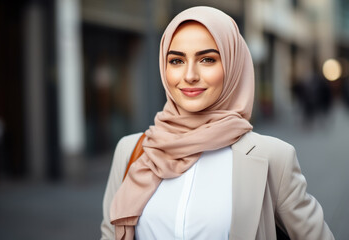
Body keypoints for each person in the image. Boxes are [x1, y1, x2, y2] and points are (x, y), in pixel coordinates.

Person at [100, 6, 334, 240]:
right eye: (176, 61)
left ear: (233, 65)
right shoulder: (132, 150)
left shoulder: (272, 157)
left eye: (207, 59)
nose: (190, 75)